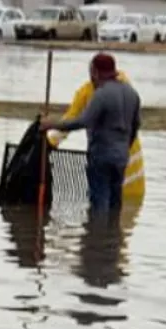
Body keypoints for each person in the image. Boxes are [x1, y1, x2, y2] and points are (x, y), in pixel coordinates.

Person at [42, 53, 141, 213]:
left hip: (101, 157)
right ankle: (113, 235)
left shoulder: (100, 95)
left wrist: (52, 124)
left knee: (99, 204)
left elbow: (82, 121)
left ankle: (97, 235)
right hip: (121, 158)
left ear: (95, 72)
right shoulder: (132, 93)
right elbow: (136, 126)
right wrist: (125, 147)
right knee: (116, 203)